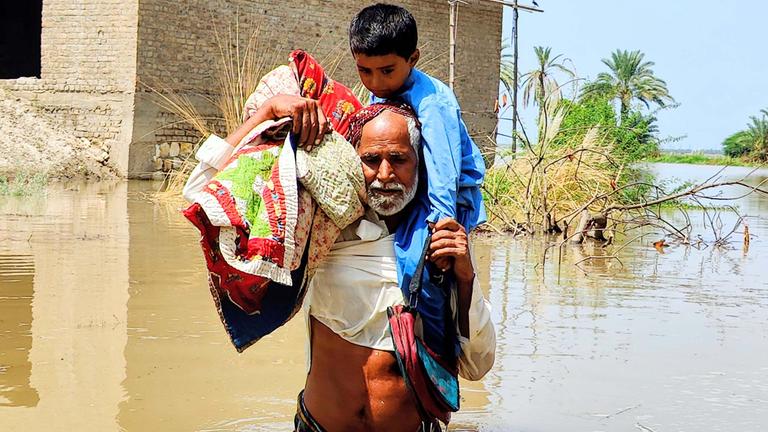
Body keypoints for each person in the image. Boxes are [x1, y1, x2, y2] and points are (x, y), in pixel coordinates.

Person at [184, 95, 495, 431]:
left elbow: (476, 364)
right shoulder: (322, 224)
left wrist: (465, 278)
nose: (385, 174)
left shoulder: (440, 240)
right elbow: (202, 193)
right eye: (372, 159)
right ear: (351, 162)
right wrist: (267, 113)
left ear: (420, 163)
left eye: (399, 159)